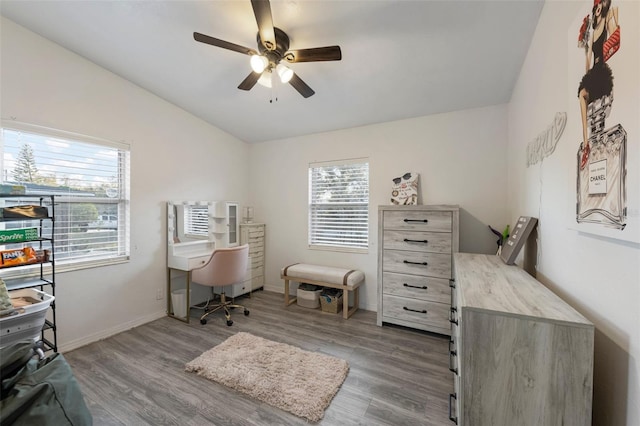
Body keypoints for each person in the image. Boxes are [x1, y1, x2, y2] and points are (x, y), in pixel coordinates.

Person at [577, 0, 619, 170]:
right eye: (596, 4)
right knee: (581, 94)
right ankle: (586, 142)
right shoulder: (593, 32)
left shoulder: (608, 18)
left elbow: (616, 34)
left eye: (601, 3)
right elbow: (587, 67)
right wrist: (586, 49)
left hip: (602, 70)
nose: (598, 7)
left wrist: (615, 16)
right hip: (593, 72)